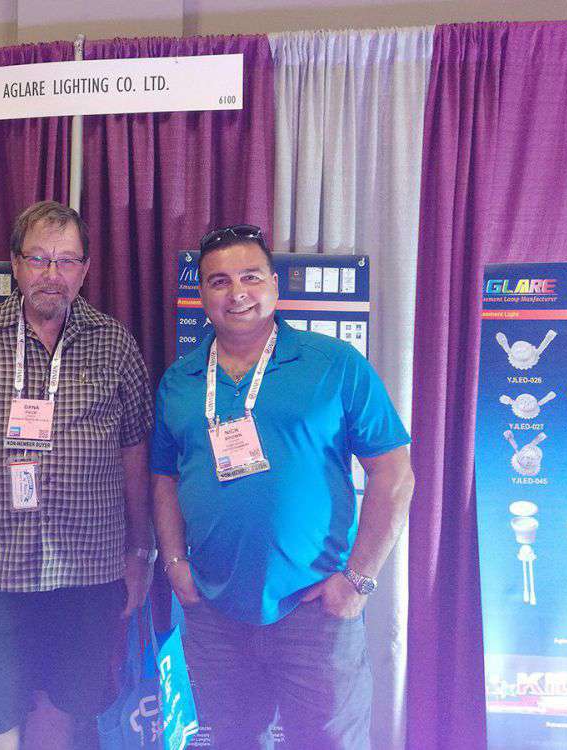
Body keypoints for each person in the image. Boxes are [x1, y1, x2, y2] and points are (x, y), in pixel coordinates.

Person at [151, 224, 415, 749]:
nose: (237, 293)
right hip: (214, 610)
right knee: (231, 742)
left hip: (314, 610)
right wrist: (176, 567)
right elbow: (165, 480)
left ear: (274, 283)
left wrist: (357, 581)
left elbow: (394, 473)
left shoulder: (335, 364)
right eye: (219, 281)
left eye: (250, 277)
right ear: (201, 294)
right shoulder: (180, 381)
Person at [0, 201, 155, 750]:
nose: (53, 273)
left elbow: (136, 458)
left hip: (88, 571)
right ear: (15, 264)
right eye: (39, 258)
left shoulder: (115, 343)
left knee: (66, 710)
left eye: (67, 260)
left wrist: (139, 553)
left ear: (85, 269)